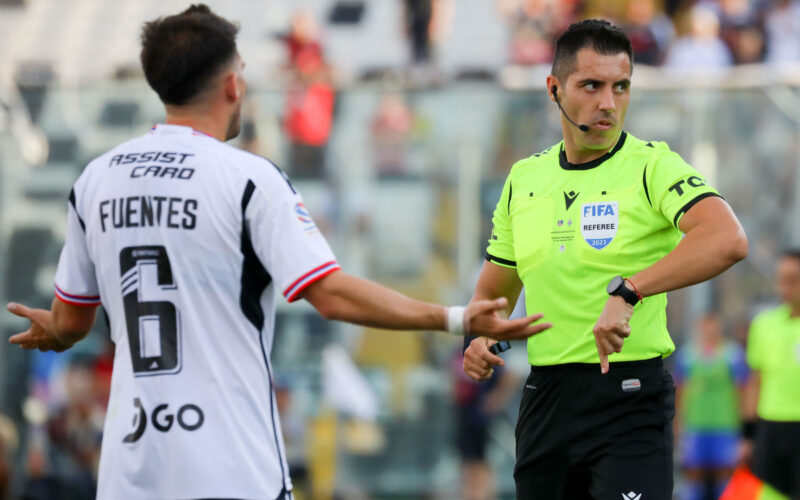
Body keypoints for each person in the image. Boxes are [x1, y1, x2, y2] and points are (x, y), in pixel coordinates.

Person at [4, 6, 550, 500]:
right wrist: (453, 317)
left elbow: (71, 322)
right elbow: (330, 295)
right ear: (233, 84)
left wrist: (55, 329)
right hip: (231, 469)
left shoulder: (97, 179)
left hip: (131, 471)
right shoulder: (248, 178)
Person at [462, 19, 748, 499]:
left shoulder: (653, 166)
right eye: (591, 85)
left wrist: (630, 291)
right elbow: (492, 296)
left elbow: (727, 239)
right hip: (545, 401)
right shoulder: (524, 179)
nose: (608, 103)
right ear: (554, 89)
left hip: (629, 397)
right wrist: (478, 338)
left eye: (621, 87)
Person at [741, 249, 800, 499]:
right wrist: (747, 436)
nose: (786, 287)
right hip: (771, 431)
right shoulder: (764, 324)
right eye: (782, 279)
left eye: (793, 279)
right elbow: (756, 380)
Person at [674, 313, 749, 500]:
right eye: (705, 326)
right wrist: (678, 426)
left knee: (724, 473)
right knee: (694, 473)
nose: (709, 331)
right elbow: (680, 392)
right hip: (695, 425)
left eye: (713, 326)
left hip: (724, 424)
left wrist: (745, 430)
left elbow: (742, 391)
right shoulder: (687, 355)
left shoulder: (733, 354)